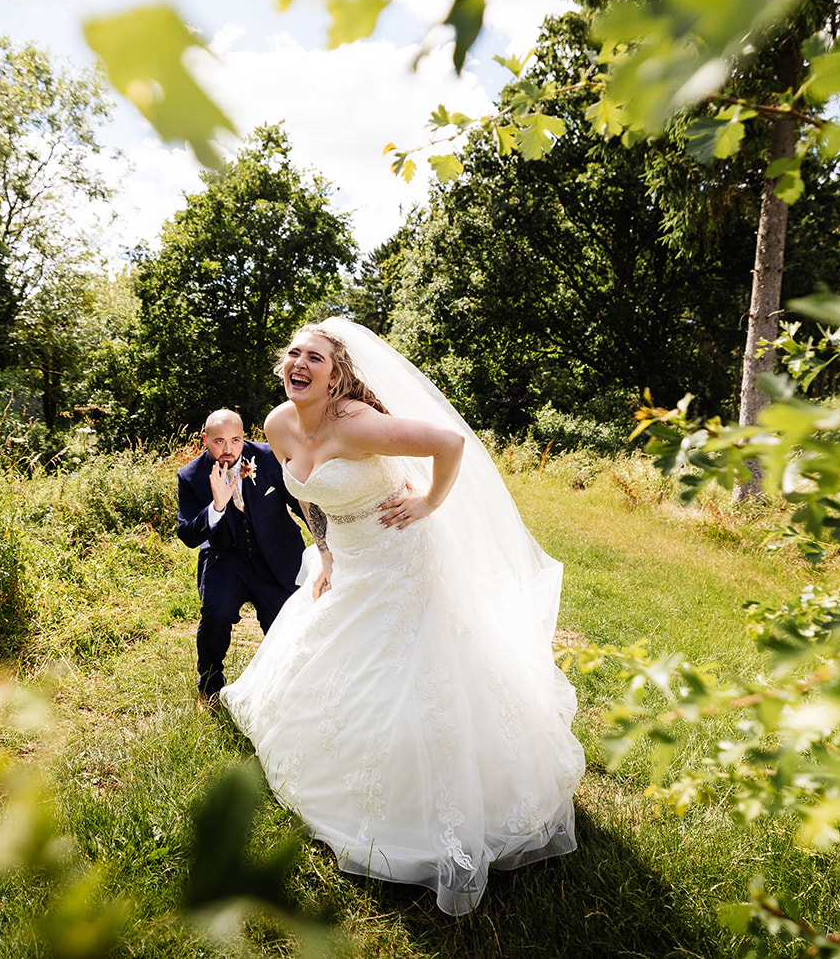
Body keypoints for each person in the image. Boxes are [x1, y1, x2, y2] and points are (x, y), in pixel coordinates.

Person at [220, 319, 585, 916]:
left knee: (422, 673)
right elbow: (307, 495)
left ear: (336, 376)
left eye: (316, 357)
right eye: (294, 354)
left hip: (402, 557)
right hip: (353, 557)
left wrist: (428, 501)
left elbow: (450, 443)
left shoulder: (357, 423)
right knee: (333, 659)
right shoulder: (280, 423)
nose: (300, 364)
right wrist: (328, 553)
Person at [176, 408, 307, 708]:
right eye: (219, 441)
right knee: (215, 615)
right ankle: (210, 686)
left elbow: (300, 503)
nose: (228, 449)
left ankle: (290, 687)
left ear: (244, 437)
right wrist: (217, 507)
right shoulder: (190, 476)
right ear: (205, 439)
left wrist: (328, 541)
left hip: (277, 553)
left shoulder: (271, 457)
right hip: (225, 558)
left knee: (286, 623)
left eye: (235, 440)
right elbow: (187, 535)